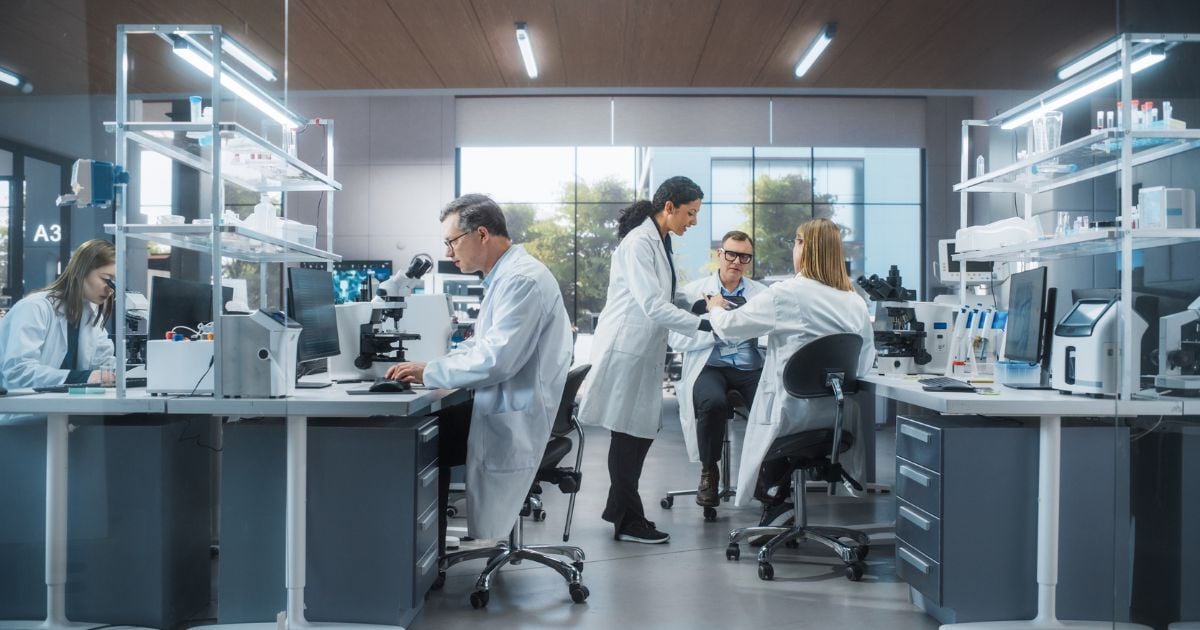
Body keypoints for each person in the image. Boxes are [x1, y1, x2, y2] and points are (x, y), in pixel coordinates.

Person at [385, 194, 572, 555]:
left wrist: (432, 371)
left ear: (482, 234)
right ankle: (427, 548)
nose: (448, 253)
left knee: (417, 439)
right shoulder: (506, 277)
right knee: (424, 431)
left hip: (515, 412)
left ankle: (427, 553)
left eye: (452, 242)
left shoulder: (521, 281)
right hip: (507, 401)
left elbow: (497, 359)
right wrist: (435, 364)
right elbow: (484, 345)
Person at [703, 218, 874, 528]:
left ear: (804, 248)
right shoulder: (855, 303)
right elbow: (863, 364)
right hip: (837, 419)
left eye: (796, 242)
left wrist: (715, 306)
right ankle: (778, 505)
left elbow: (729, 328)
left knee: (765, 431)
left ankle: (775, 504)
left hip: (791, 416)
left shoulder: (786, 294)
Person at [579, 176, 712, 544]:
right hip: (626, 348)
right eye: (690, 213)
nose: (694, 221)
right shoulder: (639, 242)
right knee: (629, 434)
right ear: (669, 207)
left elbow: (665, 294)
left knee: (639, 432)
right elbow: (652, 305)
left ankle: (619, 508)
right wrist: (704, 324)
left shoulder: (660, 239)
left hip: (641, 349)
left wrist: (699, 304)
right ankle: (627, 519)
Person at [668, 230, 767, 507]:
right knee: (712, 403)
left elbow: (773, 331)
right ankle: (709, 471)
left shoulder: (762, 295)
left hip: (750, 366)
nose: (736, 261)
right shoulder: (692, 292)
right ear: (719, 255)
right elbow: (674, 337)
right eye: (731, 254)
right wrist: (716, 323)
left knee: (770, 404)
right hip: (710, 365)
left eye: (744, 256)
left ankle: (764, 474)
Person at [0, 239, 117, 390]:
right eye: (107, 280)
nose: (111, 289)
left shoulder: (91, 314)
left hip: (68, 408)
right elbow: (18, 372)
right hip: (27, 410)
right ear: (81, 271)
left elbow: (103, 364)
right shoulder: (34, 308)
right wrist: (81, 378)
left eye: (115, 282)